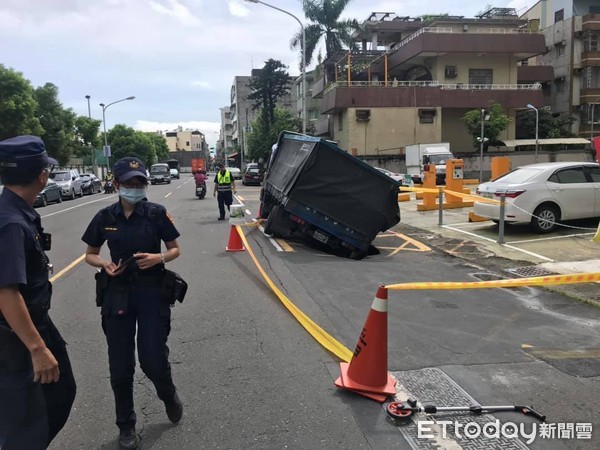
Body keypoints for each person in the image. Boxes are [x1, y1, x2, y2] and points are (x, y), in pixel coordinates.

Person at [81, 157, 182, 449]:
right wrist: (103, 263)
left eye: (140, 184)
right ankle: (126, 425)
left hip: (152, 292)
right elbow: (90, 253)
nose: (135, 188)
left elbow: (175, 248)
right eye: (129, 183)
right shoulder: (105, 217)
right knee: (121, 365)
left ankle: (168, 394)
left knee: (152, 359)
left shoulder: (156, 213)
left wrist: (159, 257)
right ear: (116, 184)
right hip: (118, 293)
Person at [0, 135, 76, 449]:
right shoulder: (10, 223)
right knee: (28, 419)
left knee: (60, 392)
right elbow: (5, 292)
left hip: (34, 322)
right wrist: (36, 348)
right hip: (16, 336)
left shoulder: (16, 211)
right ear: (42, 175)